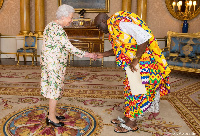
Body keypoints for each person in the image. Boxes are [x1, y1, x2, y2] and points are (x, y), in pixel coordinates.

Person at [94, 11, 171, 133]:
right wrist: (102, 54)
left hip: (144, 62)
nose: (99, 29)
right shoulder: (114, 29)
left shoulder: (121, 23)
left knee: (137, 92)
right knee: (130, 90)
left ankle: (132, 122)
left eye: (98, 26)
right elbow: (120, 49)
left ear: (104, 21)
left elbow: (143, 37)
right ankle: (128, 117)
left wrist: (136, 59)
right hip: (134, 63)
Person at [40, 4, 97, 127]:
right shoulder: (57, 29)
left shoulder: (50, 25)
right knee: (54, 90)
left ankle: (52, 113)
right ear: (63, 16)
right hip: (54, 64)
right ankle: (51, 118)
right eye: (70, 18)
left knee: (53, 88)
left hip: (51, 63)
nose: (71, 20)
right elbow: (69, 47)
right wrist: (88, 54)